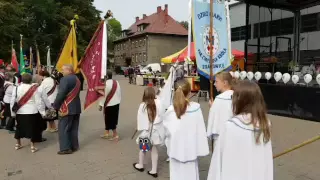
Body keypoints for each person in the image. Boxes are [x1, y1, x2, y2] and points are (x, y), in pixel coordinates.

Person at [207, 80, 273, 180]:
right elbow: (267, 164)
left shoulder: (230, 127)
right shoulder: (264, 125)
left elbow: (218, 163)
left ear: (239, 100)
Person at [163, 79, 209, 180]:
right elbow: (200, 130)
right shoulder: (196, 109)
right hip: (191, 151)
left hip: (176, 151)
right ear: (189, 92)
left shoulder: (170, 111)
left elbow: (166, 132)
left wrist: (169, 143)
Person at [133, 87, 165, 178]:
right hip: (156, 131)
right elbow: (162, 115)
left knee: (143, 149)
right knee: (154, 150)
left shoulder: (143, 105)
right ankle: (154, 170)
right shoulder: (159, 103)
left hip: (146, 132)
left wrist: (139, 127)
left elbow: (141, 120)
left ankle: (140, 165)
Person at [10, 73, 46, 153]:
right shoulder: (34, 88)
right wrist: (43, 112)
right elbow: (38, 102)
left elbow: (12, 101)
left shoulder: (16, 88)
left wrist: (12, 113)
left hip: (20, 111)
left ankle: (17, 144)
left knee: (19, 127)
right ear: (30, 80)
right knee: (32, 129)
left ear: (21, 79)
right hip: (32, 111)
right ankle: (32, 147)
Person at [53, 64, 81, 155]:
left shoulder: (65, 79)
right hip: (76, 107)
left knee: (64, 128)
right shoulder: (77, 79)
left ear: (69, 70)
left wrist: (55, 106)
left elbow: (61, 94)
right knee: (73, 128)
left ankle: (65, 148)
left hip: (67, 107)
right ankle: (74, 146)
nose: (62, 71)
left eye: (63, 70)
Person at [207, 72, 235, 142]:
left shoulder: (219, 98)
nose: (214, 84)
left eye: (216, 82)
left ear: (225, 83)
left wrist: (211, 107)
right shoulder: (237, 95)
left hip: (220, 135)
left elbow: (214, 117)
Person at [97, 71, 121, 141]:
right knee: (111, 119)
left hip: (109, 104)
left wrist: (100, 105)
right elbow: (119, 92)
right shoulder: (116, 82)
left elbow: (103, 95)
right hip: (116, 102)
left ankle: (115, 135)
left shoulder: (105, 84)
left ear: (106, 76)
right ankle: (106, 133)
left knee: (110, 119)